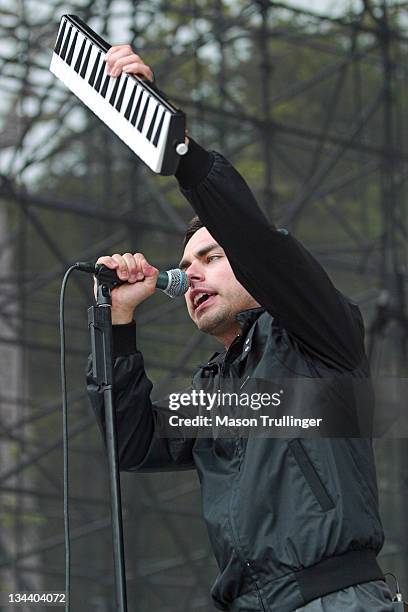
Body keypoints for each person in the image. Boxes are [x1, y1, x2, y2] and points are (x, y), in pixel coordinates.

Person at [87, 46, 394, 612]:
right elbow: (131, 444)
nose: (192, 275)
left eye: (211, 256)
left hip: (334, 597)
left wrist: (175, 147)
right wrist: (118, 322)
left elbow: (258, 244)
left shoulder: (314, 337)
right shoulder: (217, 396)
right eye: (185, 267)